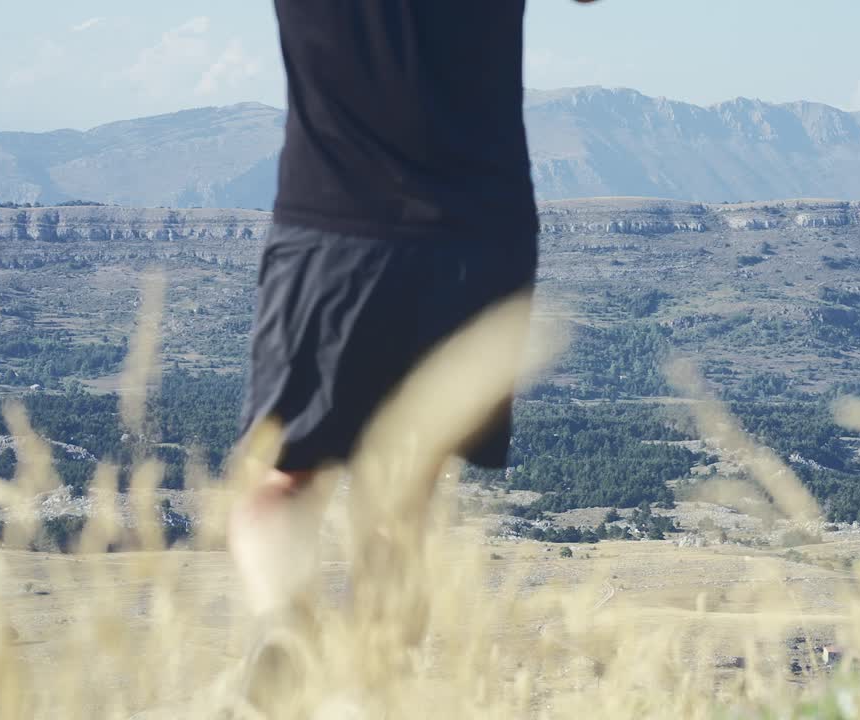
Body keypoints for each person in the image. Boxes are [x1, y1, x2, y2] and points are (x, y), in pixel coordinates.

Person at [228, 0, 600, 648]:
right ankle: (376, 686)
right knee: (402, 499)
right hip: (479, 236)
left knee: (280, 479)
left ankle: (284, 639)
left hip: (332, 221)